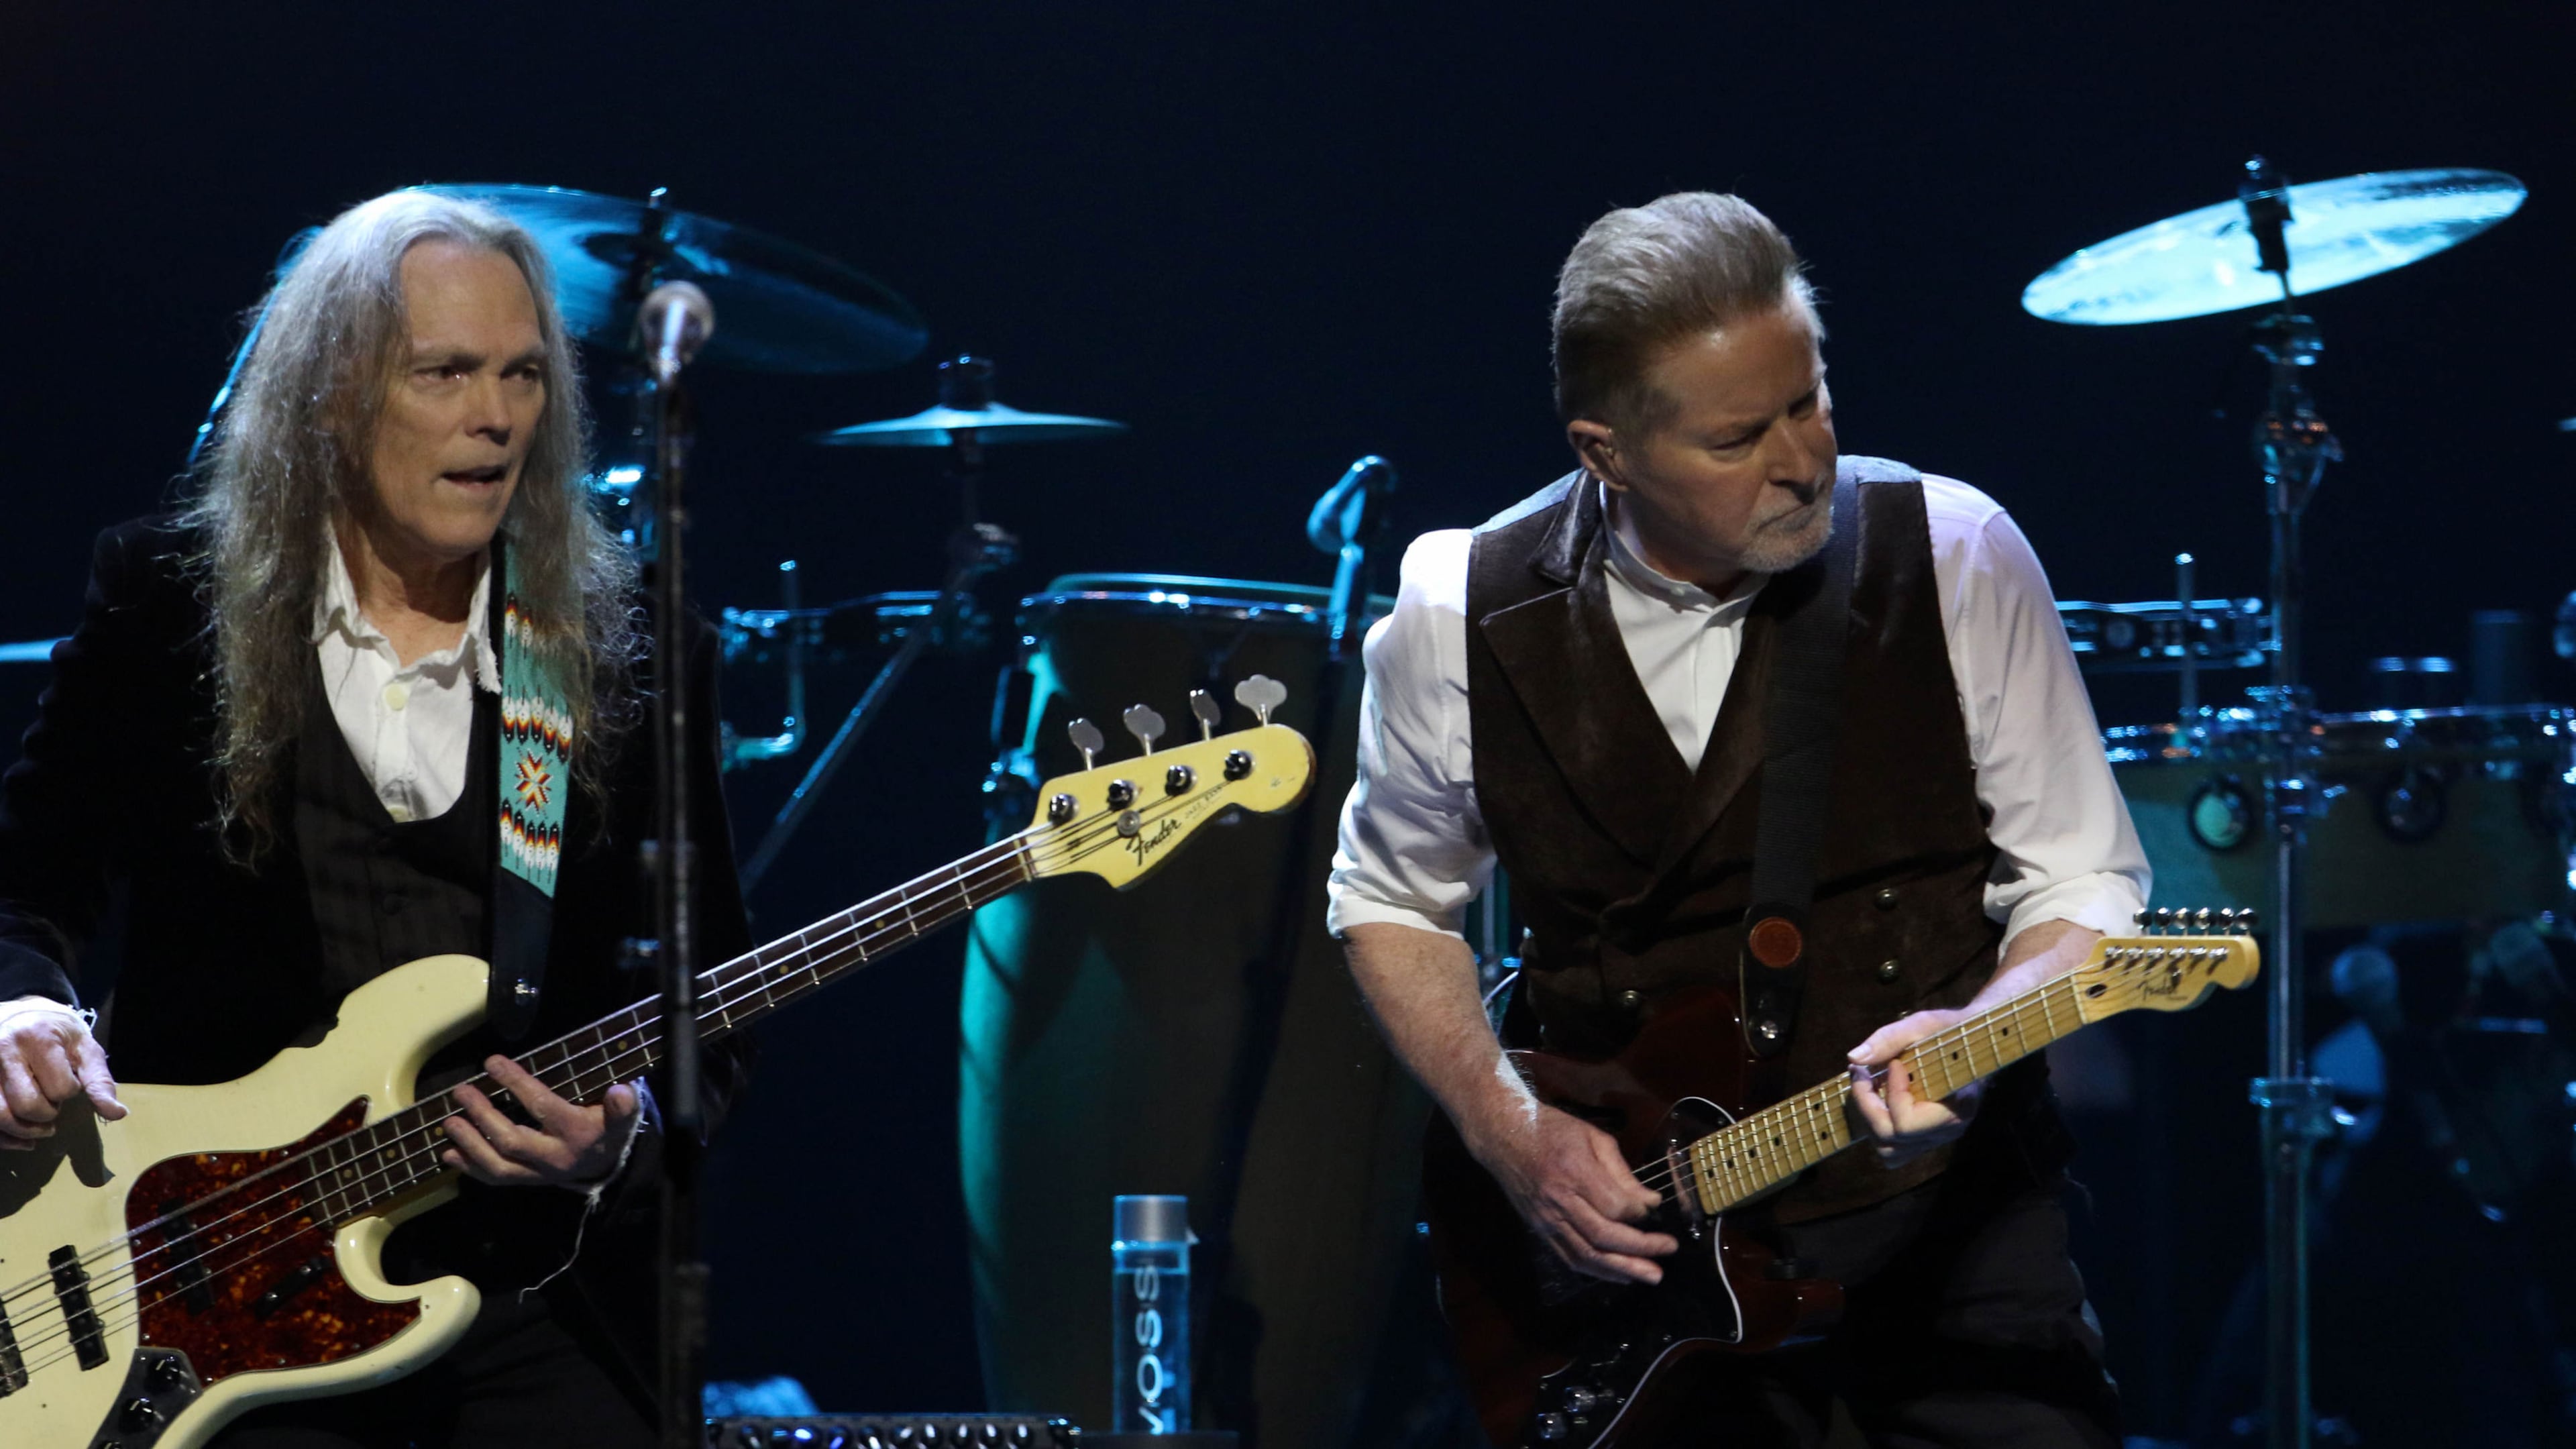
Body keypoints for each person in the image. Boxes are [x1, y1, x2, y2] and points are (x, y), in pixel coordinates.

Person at [1329, 193, 2150, 1446]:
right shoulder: (1459, 603)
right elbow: (1389, 903)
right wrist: (1512, 1135)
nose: (1802, 458)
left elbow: (2083, 886)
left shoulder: (1957, 552)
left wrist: (1977, 1033)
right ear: (1603, 451)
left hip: (1950, 1250)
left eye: (1809, 400)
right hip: (1636, 1279)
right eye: (1737, 438)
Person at [0, 189, 750, 1447]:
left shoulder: (620, 652)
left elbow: (708, 987)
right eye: (446, 373)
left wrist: (622, 1130)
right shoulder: (169, 603)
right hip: (194, 1290)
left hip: (515, 1294)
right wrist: (19, 999)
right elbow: (25, 887)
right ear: (334, 395)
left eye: (522, 375)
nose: (497, 417)